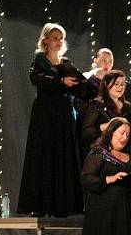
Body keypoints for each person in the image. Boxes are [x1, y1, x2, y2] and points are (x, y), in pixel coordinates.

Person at [18, 23, 85, 217]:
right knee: (44, 152)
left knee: (63, 153)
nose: (58, 42)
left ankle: (62, 205)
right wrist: (60, 81)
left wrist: (77, 83)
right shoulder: (39, 59)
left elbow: (75, 87)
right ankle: (40, 204)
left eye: (61, 38)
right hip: (45, 113)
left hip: (63, 113)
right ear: (45, 40)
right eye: (55, 38)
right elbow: (36, 79)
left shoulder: (65, 62)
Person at [80, 70, 131, 162]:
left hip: (124, 155)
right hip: (103, 156)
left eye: (123, 84)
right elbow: (85, 133)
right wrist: (105, 126)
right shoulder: (96, 105)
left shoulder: (128, 106)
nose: (120, 87)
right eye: (116, 84)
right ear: (106, 85)